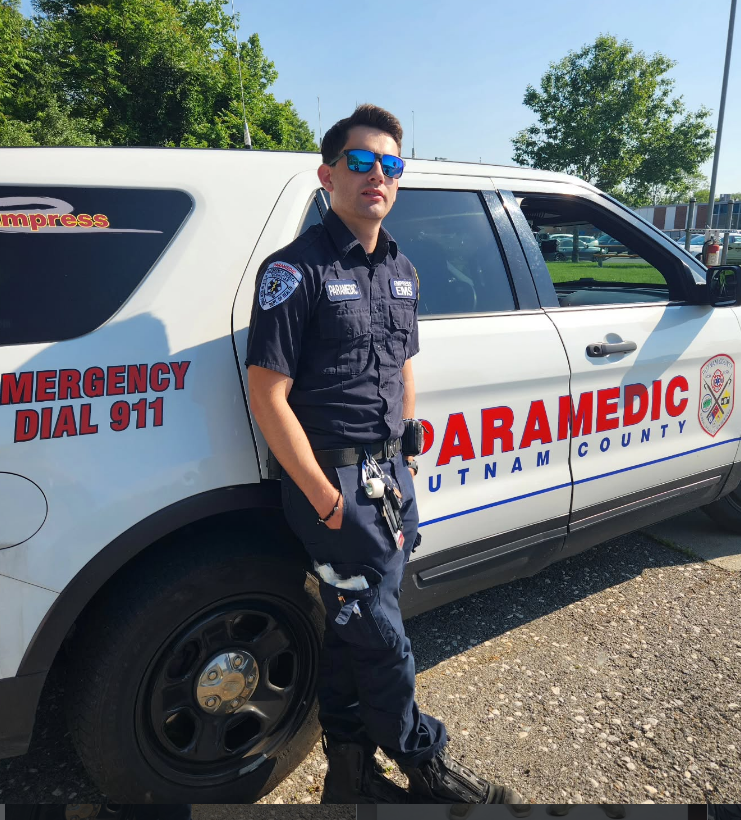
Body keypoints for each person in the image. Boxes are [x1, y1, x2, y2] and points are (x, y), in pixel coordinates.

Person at [245, 104, 528, 806]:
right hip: (333, 480)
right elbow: (266, 396)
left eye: (390, 165)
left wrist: (408, 455)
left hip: (388, 477)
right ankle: (422, 762)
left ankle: (347, 774)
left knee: (351, 629)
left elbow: (402, 365)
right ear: (328, 174)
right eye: (361, 162)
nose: (376, 175)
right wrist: (320, 494)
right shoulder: (293, 271)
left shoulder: (401, 268)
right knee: (382, 636)